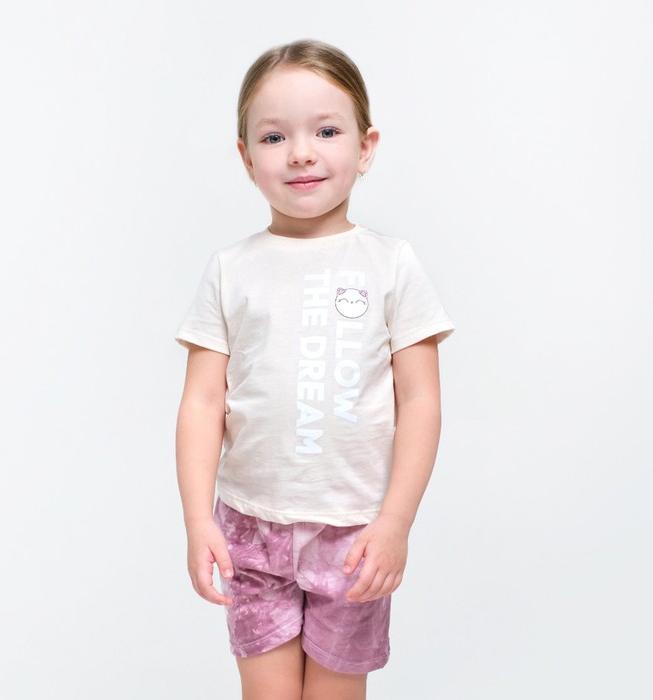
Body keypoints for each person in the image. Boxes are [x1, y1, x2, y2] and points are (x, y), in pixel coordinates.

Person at [175, 39, 454, 700]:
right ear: (247, 158)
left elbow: (420, 402)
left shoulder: (391, 265)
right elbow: (201, 403)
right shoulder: (230, 270)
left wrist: (396, 522)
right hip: (250, 528)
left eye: (326, 131)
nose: (301, 152)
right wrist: (197, 520)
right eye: (274, 137)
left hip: (355, 531)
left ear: (366, 146)